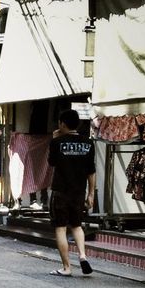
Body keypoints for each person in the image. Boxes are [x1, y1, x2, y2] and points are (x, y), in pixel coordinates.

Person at [47, 110, 96, 276]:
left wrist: (55, 140)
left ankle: (67, 267)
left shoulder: (57, 142)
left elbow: (52, 163)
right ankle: (82, 255)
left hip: (61, 190)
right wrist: (91, 194)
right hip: (79, 191)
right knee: (76, 225)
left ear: (62, 124)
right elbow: (91, 171)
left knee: (60, 228)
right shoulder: (88, 143)